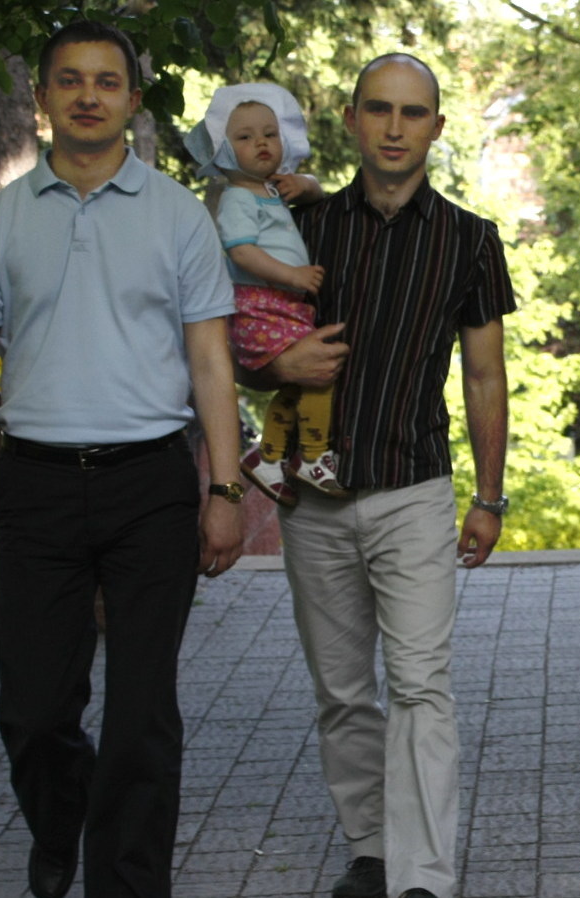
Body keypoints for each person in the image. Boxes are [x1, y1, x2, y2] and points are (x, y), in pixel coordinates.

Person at [0, 20, 243, 898]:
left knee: (142, 712)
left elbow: (211, 360)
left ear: (131, 101)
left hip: (150, 484)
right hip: (33, 484)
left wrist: (224, 489)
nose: (87, 96)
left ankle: (127, 882)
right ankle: (59, 819)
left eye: (106, 82)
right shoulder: (0, 214)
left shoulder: (177, 214)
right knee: (34, 712)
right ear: (42, 98)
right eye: (69, 80)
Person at [237, 53, 513, 898]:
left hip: (413, 488)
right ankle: (371, 849)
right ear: (353, 119)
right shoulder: (301, 226)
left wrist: (490, 497)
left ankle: (421, 876)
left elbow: (484, 375)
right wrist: (277, 365)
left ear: (436, 126)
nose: (395, 127)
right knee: (343, 692)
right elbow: (242, 338)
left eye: (413, 112)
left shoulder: (470, 238)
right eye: (380, 109)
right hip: (314, 497)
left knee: (422, 685)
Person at [185, 83, 340, 504]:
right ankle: (313, 455)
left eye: (270, 134)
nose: (261, 143)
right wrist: (292, 275)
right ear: (223, 150)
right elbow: (242, 252)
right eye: (245, 137)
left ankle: (268, 457)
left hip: (282, 305)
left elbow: (318, 192)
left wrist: (304, 184)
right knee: (322, 375)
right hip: (261, 306)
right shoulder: (237, 197)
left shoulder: (271, 191)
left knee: (299, 382)